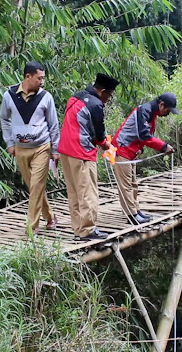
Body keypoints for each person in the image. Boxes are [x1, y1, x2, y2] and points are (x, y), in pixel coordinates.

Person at [58, 73, 120, 241]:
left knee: (74, 192)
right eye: (109, 95)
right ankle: (88, 230)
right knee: (88, 192)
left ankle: (78, 229)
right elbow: (99, 134)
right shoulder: (95, 104)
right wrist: (106, 145)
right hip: (81, 153)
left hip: (65, 150)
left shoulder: (75, 98)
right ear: (103, 91)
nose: (108, 99)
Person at [0, 61, 60, 232]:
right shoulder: (9, 96)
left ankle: (31, 227)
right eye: (39, 78)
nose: (42, 82)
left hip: (42, 146)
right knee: (34, 186)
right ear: (28, 77)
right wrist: (9, 142)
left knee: (36, 185)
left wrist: (55, 149)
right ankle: (50, 216)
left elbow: (53, 124)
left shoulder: (45, 97)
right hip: (20, 148)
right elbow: (4, 119)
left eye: (43, 79)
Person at [112, 92, 178, 224]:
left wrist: (140, 149)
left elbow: (140, 136)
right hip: (121, 150)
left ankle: (136, 211)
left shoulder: (151, 113)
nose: (168, 113)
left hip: (131, 152)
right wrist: (163, 146)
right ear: (161, 105)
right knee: (126, 186)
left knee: (133, 184)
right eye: (168, 110)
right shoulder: (144, 111)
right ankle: (131, 215)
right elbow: (144, 135)